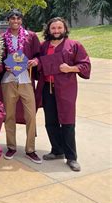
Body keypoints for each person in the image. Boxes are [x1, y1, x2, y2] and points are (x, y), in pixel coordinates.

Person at [35, 17, 91, 172]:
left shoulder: (74, 45)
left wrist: (71, 68)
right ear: (49, 30)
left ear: (65, 29)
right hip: (47, 87)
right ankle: (57, 150)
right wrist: (36, 63)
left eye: (59, 28)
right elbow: (38, 62)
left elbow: (85, 65)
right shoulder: (43, 46)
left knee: (67, 121)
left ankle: (71, 157)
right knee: (50, 121)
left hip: (66, 88)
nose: (56, 31)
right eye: (53, 28)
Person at [1, 9, 41, 163]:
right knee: (9, 115)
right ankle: (11, 147)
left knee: (31, 115)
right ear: (8, 20)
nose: (15, 21)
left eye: (18, 18)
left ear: (21, 21)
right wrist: (5, 66)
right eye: (12, 18)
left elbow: (38, 55)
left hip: (26, 80)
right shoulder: (2, 38)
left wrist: (35, 61)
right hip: (8, 81)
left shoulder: (31, 36)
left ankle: (30, 149)